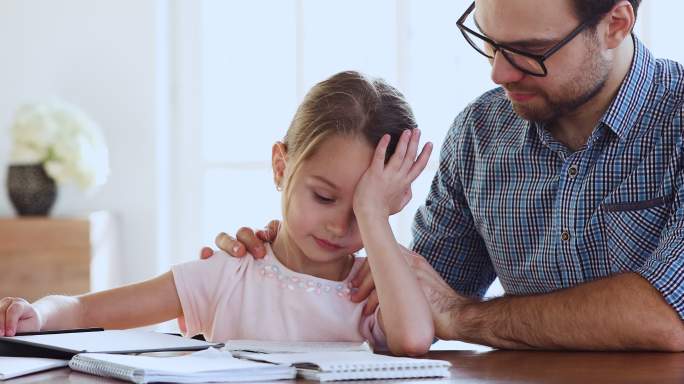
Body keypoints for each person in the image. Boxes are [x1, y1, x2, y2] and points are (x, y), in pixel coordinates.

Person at [209, 0, 684, 351]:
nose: (498, 73)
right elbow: (408, 303)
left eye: (529, 51)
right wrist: (269, 267)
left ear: (615, 25)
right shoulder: (480, 134)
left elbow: (669, 317)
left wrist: (466, 317)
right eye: (489, 41)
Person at [0, 71, 435, 356]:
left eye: (363, 210)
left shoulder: (375, 294)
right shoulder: (230, 274)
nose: (340, 226)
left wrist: (376, 220)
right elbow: (84, 311)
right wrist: (37, 314)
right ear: (281, 167)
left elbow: (414, 340)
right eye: (324, 197)